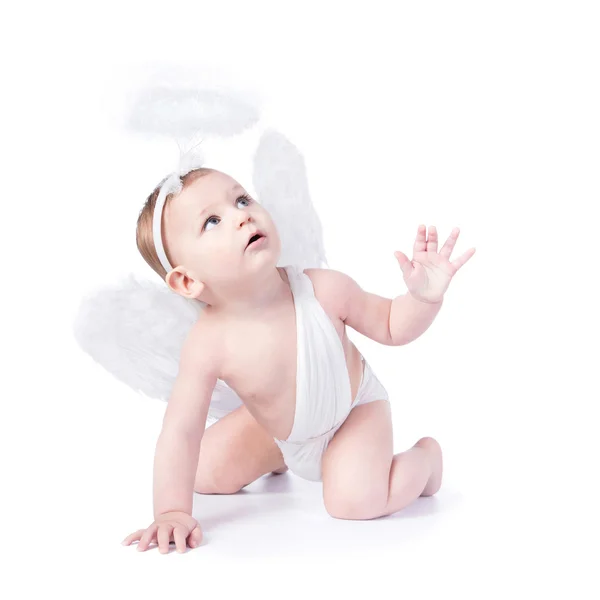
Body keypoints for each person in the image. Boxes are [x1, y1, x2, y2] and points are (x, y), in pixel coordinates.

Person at [122, 167, 475, 553]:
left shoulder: (322, 289)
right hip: (283, 433)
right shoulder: (207, 345)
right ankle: (277, 457)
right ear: (188, 281)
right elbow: (180, 431)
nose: (242, 215)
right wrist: (171, 511)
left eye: (242, 199)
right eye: (212, 221)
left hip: (352, 414)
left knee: (354, 501)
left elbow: (391, 325)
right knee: (203, 471)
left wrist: (423, 298)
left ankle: (425, 462)